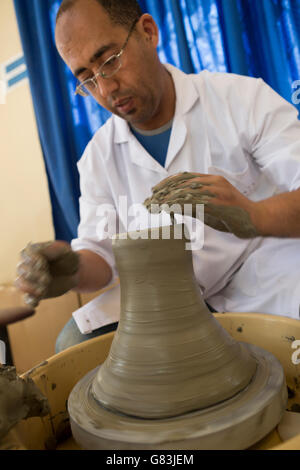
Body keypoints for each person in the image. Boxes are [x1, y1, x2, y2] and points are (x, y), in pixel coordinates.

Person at [15, 0, 300, 353]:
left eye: (109, 61)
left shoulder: (240, 99)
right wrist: (72, 271)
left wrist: (252, 216)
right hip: (170, 298)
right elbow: (101, 258)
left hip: (266, 278)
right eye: (87, 79)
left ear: (148, 32)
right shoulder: (98, 158)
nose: (106, 90)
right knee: (73, 344)